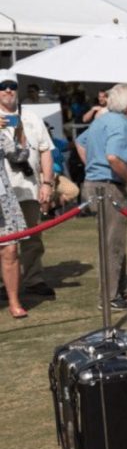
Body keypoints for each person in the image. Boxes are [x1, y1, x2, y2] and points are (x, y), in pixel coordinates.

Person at [76, 83, 127, 310]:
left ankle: (118, 292)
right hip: (109, 186)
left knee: (111, 241)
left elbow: (80, 142)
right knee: (113, 243)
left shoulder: (101, 120)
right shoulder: (121, 124)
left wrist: (92, 167)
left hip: (94, 183)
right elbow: (113, 157)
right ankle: (110, 297)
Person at [0, 69, 57, 300]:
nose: (7, 91)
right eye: (2, 86)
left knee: (33, 236)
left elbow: (45, 151)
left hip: (29, 187)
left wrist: (47, 183)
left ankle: (34, 279)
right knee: (3, 241)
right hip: (4, 191)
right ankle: (5, 283)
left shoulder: (31, 118)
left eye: (12, 86)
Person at [0, 134, 29, 318]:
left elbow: (18, 157)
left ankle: (14, 301)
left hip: (2, 199)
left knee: (10, 250)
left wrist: (20, 135)